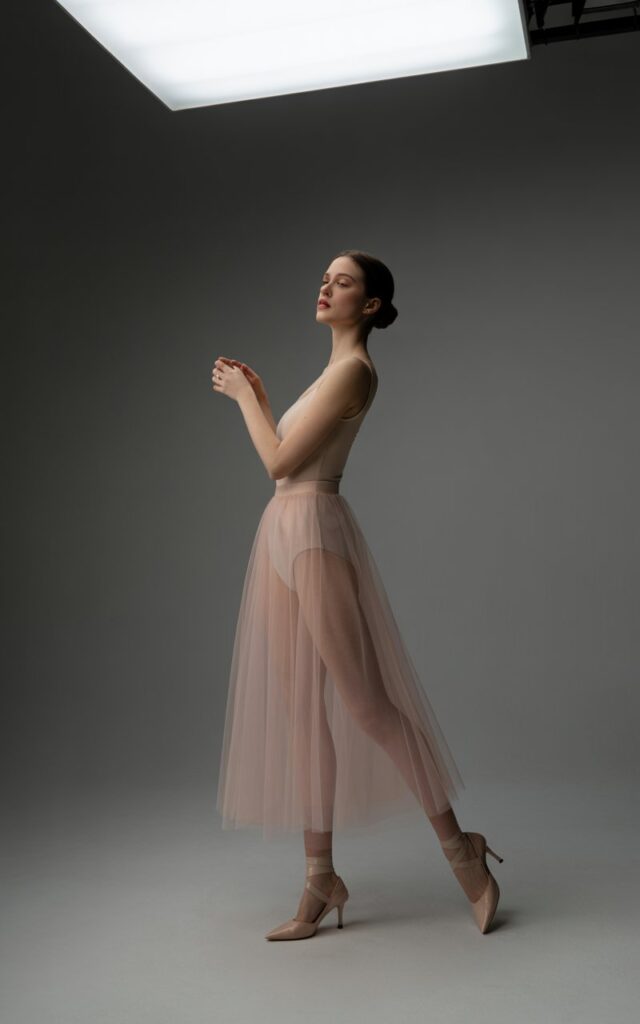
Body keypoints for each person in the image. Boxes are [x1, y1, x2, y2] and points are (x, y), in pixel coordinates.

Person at [212, 249, 503, 940]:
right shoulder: (330, 373)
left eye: (342, 282)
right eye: (324, 278)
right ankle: (320, 880)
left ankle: (464, 853)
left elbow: (280, 462)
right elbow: (293, 457)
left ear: (370, 305)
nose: (326, 287)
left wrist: (246, 400)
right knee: (302, 715)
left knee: (368, 706)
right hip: (286, 529)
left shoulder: (355, 371)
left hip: (313, 531)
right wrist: (266, 400)